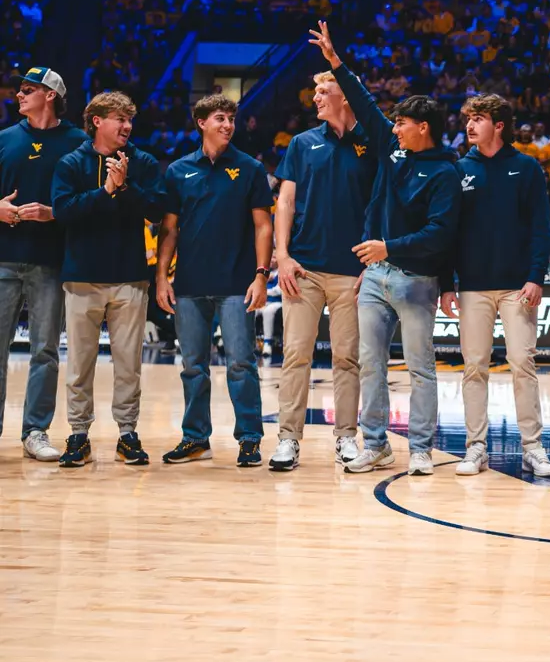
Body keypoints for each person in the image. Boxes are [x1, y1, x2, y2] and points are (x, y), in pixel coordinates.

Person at [309, 20, 461, 477]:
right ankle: (375, 445)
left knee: (420, 369)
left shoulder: (445, 174)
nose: (394, 129)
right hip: (375, 277)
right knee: (371, 365)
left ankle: (420, 448)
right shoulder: (389, 150)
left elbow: (439, 234)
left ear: (425, 128)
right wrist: (336, 62)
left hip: (416, 279)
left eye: (403, 124)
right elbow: (365, 105)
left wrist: (387, 246)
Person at [153, 95, 274, 467]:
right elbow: (168, 231)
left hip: (237, 284)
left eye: (231, 119)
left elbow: (263, 225)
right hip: (189, 284)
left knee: (241, 364)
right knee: (192, 366)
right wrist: (161, 277)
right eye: (220, 118)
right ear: (201, 123)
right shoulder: (178, 170)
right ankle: (195, 438)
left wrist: (260, 276)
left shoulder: (249, 168)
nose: (227, 125)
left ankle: (250, 438)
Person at [442, 94, 550, 480]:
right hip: (473, 286)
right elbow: (449, 233)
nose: (470, 125)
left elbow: (542, 228)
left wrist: (536, 276)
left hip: (517, 286)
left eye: (478, 119)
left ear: (499, 124)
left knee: (523, 365)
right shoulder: (459, 169)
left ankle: (532, 447)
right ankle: (476, 447)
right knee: (474, 367)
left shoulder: (526, 168)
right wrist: (447, 284)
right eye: (468, 119)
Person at [51, 90, 167, 467]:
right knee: (79, 363)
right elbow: (64, 211)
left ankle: (127, 433)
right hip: (82, 276)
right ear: (97, 121)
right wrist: (105, 192)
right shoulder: (71, 163)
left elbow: (156, 211)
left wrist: (126, 187)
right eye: (119, 118)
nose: (127, 125)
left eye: (130, 119)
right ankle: (78, 434)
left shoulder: (142, 161)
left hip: (130, 276)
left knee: (128, 363)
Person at [268, 69, 375, 472]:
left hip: (353, 272)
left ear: (345, 97)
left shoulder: (372, 142)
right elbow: (285, 202)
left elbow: (381, 204)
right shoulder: (301, 143)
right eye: (314, 90)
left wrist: (375, 262)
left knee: (347, 359)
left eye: (323, 91)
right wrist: (283, 255)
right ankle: (287, 440)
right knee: (296, 356)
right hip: (305, 269)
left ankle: (346, 436)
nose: (315, 97)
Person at [0, 66, 87, 461]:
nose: (19, 95)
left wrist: (54, 213)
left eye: (28, 89)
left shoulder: (78, 143)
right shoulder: (4, 139)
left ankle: (35, 431)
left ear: (50, 94)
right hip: (3, 258)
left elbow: (90, 205)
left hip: (51, 262)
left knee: (45, 352)